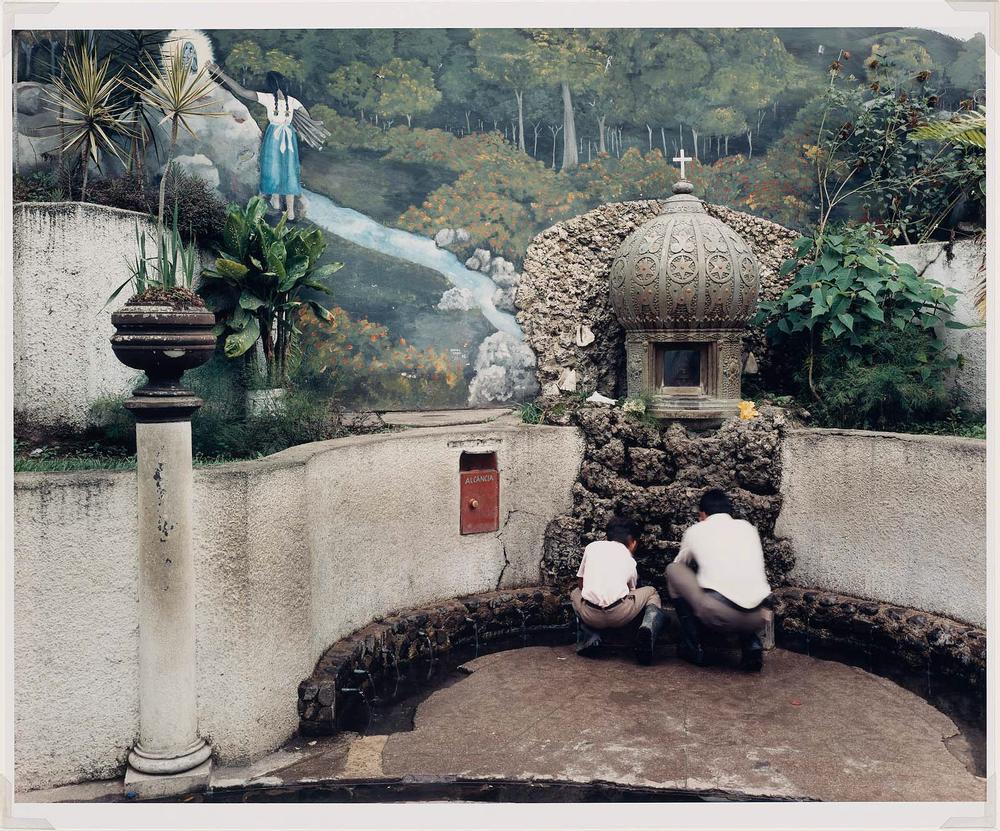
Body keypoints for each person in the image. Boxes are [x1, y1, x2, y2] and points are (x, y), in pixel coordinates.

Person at [665, 489, 773, 671]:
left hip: (720, 614)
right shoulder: (748, 528)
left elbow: (680, 564)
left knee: (673, 570)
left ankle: (693, 646)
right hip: (760, 616)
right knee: (742, 585)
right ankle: (751, 643)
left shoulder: (696, 530)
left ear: (702, 514)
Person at [206, 63, 330, 221]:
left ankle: (277, 200)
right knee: (288, 169)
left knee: (272, 167)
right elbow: (306, 116)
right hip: (288, 136)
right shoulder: (292, 101)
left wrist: (218, 73)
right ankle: (288, 209)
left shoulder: (268, 98)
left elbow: (241, 91)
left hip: (274, 136)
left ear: (270, 86)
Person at [571, 517, 667, 665]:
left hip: (590, 615)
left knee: (575, 593)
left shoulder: (592, 547)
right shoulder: (629, 559)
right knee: (651, 592)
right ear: (633, 542)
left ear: (607, 536)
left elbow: (581, 583)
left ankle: (590, 636)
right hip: (619, 615)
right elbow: (630, 591)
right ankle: (648, 628)